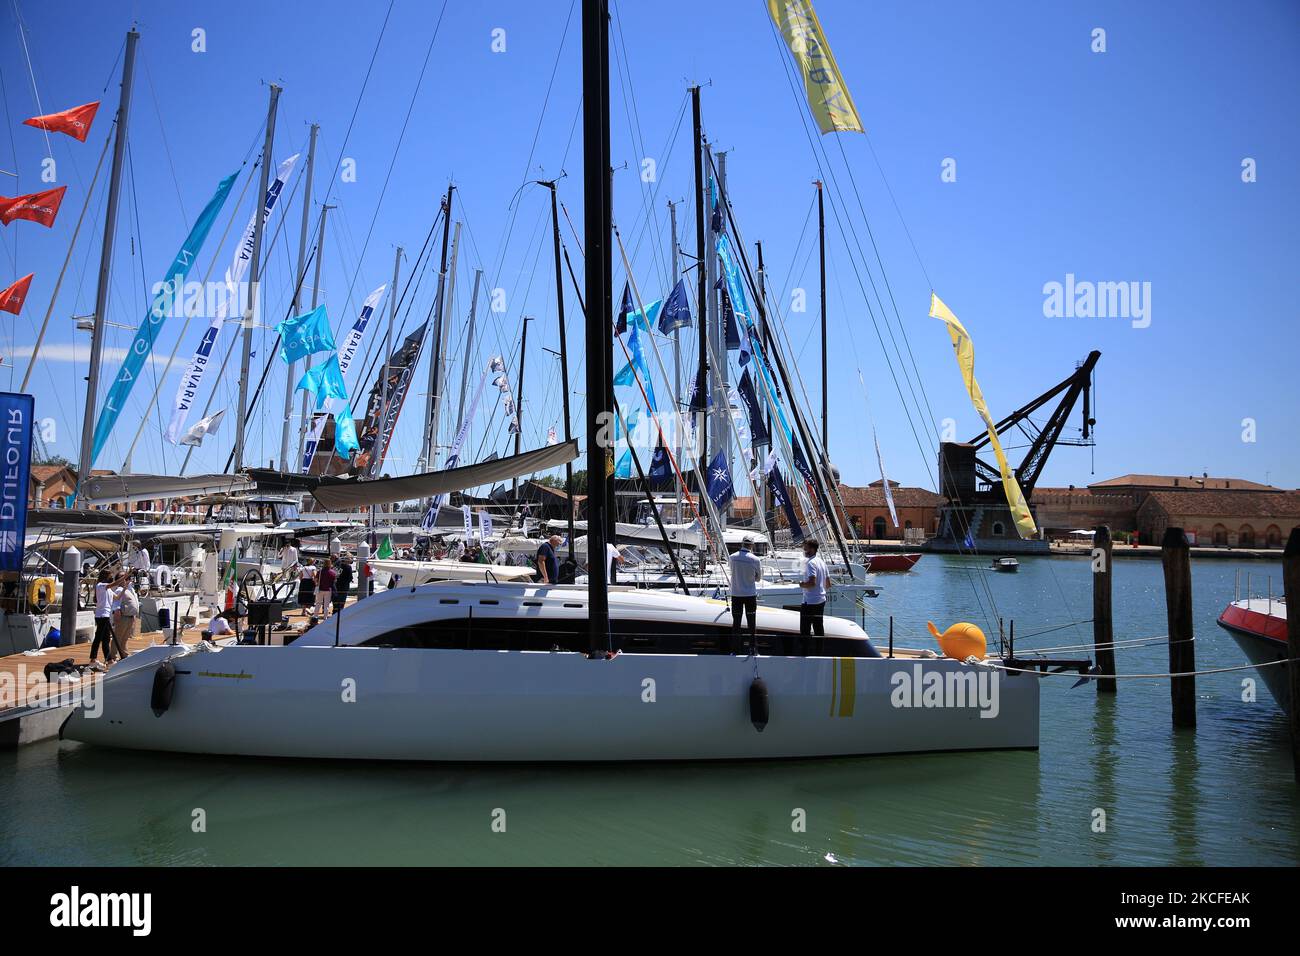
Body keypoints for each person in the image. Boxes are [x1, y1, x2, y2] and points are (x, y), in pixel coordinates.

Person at [728, 536, 763, 655]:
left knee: (736, 623)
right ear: (752, 545)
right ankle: (752, 649)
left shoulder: (732, 557)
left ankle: (734, 650)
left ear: (742, 544)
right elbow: (758, 579)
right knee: (751, 623)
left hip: (736, 594)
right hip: (750, 595)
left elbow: (731, 571)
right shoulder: (755, 559)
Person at [797, 539, 829, 655]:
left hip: (810, 601)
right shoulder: (822, 562)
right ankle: (819, 653)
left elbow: (812, 582)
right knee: (818, 627)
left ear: (812, 549)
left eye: (806, 548)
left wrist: (801, 584)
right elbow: (828, 583)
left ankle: (805, 653)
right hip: (821, 600)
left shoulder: (810, 563)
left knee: (805, 630)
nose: (804, 550)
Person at [89, 569, 122, 665]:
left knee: (106, 639)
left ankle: (108, 660)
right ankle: (93, 659)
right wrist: (124, 576)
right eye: (110, 576)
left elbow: (117, 597)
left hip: (105, 615)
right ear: (105, 577)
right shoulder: (100, 585)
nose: (111, 578)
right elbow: (115, 583)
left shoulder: (108, 590)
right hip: (102, 615)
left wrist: (125, 587)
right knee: (99, 638)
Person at [111, 573, 140, 659]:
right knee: (118, 637)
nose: (127, 579)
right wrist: (117, 612)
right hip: (123, 617)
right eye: (124, 577)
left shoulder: (128, 589)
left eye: (127, 577)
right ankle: (113, 657)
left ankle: (124, 655)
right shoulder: (119, 590)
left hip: (130, 617)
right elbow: (116, 603)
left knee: (125, 638)